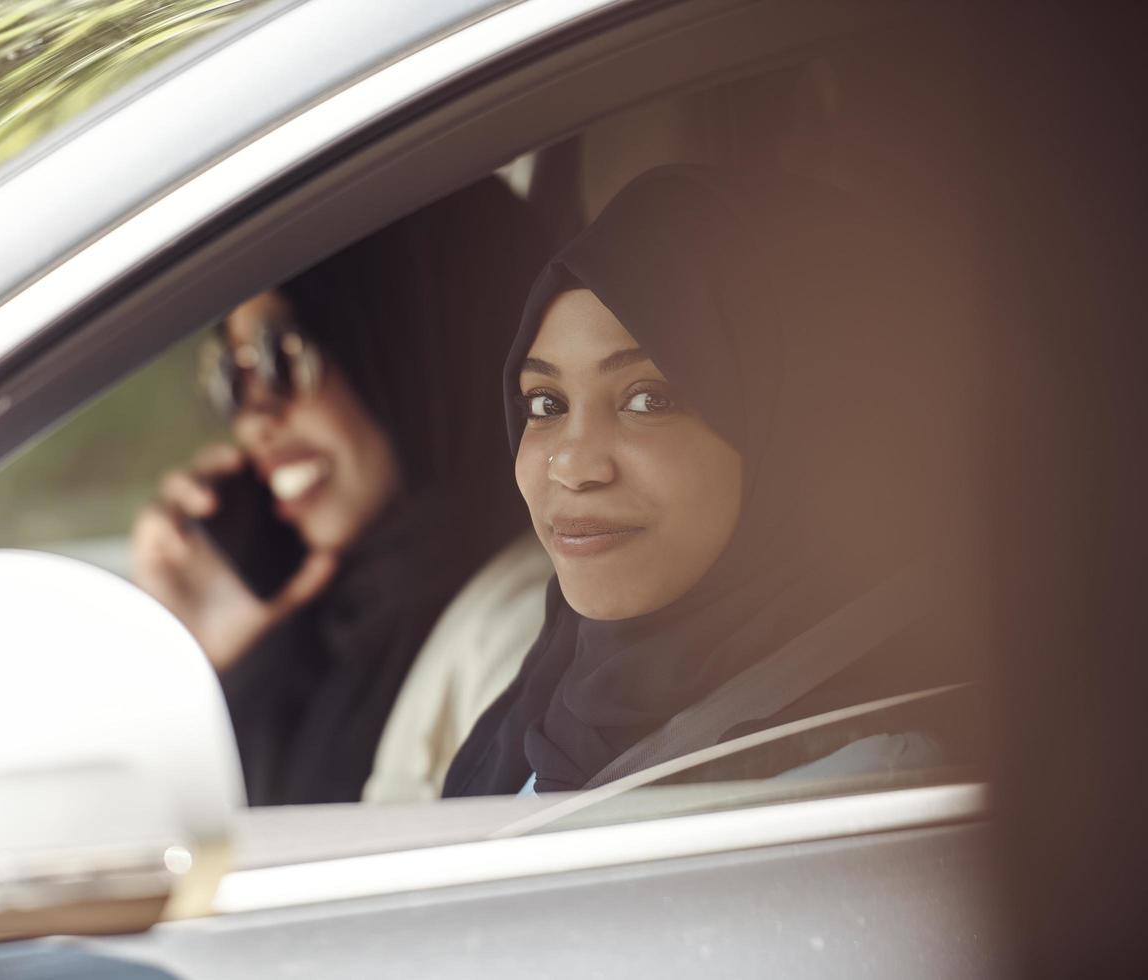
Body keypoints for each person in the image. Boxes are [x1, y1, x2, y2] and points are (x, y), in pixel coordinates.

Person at [444, 165, 981, 798]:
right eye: (545, 405)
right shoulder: (557, 698)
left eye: (648, 400)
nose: (572, 464)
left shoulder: (865, 777)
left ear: (798, 433)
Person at [131, 177, 548, 805]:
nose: (253, 418)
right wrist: (208, 658)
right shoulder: (332, 627)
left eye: (280, 356)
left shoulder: (530, 629)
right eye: (232, 375)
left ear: (411, 345)